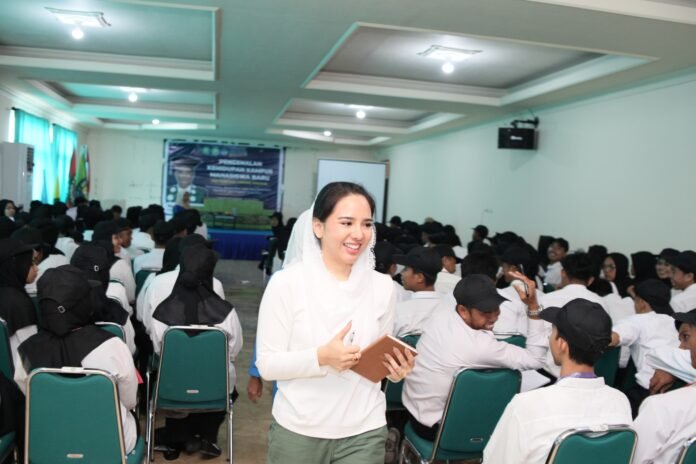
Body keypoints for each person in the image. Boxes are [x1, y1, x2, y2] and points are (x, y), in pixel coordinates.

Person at [256, 182, 415, 464]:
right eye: (346, 222)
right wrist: (321, 357)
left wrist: (394, 371)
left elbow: (377, 359)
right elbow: (267, 365)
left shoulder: (383, 287)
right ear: (318, 227)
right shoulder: (287, 284)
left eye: (366, 224)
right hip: (299, 430)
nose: (358, 234)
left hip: (365, 429)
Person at [483, 299, 632, 464]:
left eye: (552, 332)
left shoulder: (526, 405)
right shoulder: (620, 402)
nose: (549, 338)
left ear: (561, 344)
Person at [403, 272, 547, 441]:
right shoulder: (478, 346)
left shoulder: (441, 316)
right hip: (441, 430)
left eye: (496, 308)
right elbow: (536, 359)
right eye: (486, 311)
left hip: (413, 413)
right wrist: (533, 306)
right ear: (463, 311)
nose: (494, 316)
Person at [15, 265, 138, 454]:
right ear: (84, 303)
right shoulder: (112, 346)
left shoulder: (26, 351)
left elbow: (31, 398)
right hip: (109, 442)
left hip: (51, 444)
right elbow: (129, 401)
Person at [151, 244, 242, 459]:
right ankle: (207, 436)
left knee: (174, 374)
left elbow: (158, 351)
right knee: (226, 379)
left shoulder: (161, 313)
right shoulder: (226, 313)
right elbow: (233, 351)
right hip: (215, 388)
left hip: (172, 388)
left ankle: (175, 438)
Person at [632, 308, 696, 464]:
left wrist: (671, 368)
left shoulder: (661, 407)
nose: (681, 348)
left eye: (686, 337)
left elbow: (630, 459)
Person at [609, 279, 678, 416]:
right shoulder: (677, 321)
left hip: (649, 392)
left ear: (642, 303)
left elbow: (611, 339)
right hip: (680, 388)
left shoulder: (639, 320)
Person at [539, 252, 608, 377]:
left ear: (563, 273)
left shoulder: (547, 299)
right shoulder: (600, 303)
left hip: (546, 373)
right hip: (584, 374)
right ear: (591, 280)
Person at [0, 238, 38, 368]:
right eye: (31, 263)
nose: (36, 268)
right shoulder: (18, 302)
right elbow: (30, 353)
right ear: (16, 265)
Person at [392, 247, 442, 337]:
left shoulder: (399, 311)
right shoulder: (450, 305)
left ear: (419, 277)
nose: (401, 273)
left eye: (406, 269)